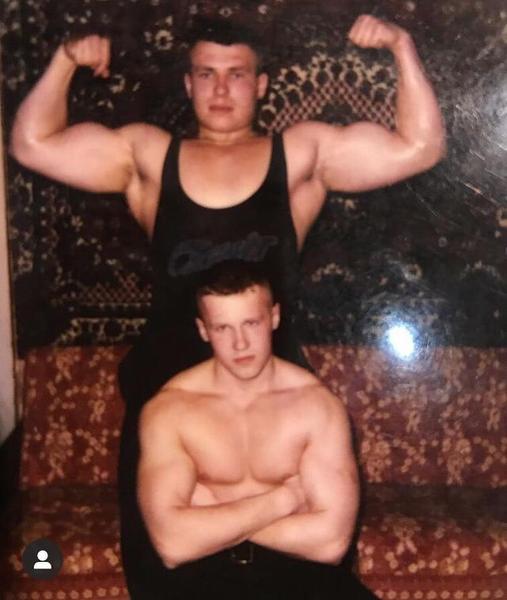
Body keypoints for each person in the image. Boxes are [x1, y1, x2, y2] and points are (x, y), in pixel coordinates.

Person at [9, 13, 445, 597]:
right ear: (187, 83)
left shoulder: (300, 155)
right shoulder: (149, 157)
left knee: (303, 575)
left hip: (273, 396)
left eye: (236, 74)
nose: (220, 89)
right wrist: (65, 60)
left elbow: (421, 147)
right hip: (172, 399)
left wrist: (401, 46)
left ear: (260, 85)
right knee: (172, 572)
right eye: (206, 74)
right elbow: (31, 145)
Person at [138, 260, 375, 599]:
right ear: (203, 330)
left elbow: (331, 543)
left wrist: (213, 513)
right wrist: (285, 499)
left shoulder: (317, 406)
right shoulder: (169, 410)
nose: (240, 343)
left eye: (251, 323)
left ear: (274, 317)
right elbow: (172, 544)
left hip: (299, 575)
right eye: (222, 328)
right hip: (205, 576)